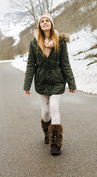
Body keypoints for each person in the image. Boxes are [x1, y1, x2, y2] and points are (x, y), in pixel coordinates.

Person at [23, 13, 76, 155]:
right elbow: (30, 65)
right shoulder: (34, 42)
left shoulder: (61, 41)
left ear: (52, 24)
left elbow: (65, 64)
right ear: (39, 25)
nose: (45, 23)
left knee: (54, 108)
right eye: (42, 21)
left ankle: (55, 142)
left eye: (47, 21)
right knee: (46, 113)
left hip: (57, 81)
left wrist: (71, 83)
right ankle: (47, 131)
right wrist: (27, 84)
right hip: (41, 81)